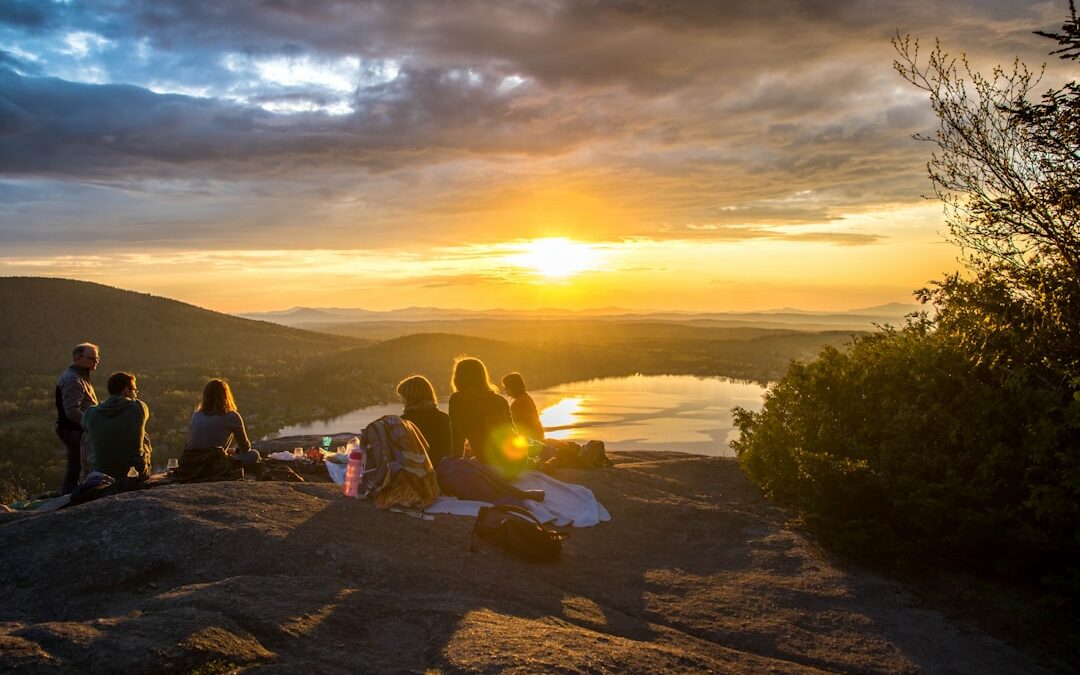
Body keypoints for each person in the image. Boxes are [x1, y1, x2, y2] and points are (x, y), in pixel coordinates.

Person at [448, 357, 522, 474]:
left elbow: (457, 437)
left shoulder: (458, 399)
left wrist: (454, 466)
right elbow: (513, 432)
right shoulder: (500, 400)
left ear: (458, 378)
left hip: (489, 460)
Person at [81, 371, 151, 481]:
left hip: (101, 474)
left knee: (87, 435)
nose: (136, 394)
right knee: (143, 435)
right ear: (126, 390)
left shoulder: (91, 413)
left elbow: (84, 425)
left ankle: (85, 477)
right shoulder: (139, 408)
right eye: (134, 390)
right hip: (135, 473)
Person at [55, 343, 100, 494]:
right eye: (91, 358)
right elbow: (72, 411)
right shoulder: (73, 379)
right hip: (75, 431)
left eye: (97, 358)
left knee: (76, 467)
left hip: (76, 430)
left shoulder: (80, 376)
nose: (96, 361)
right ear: (77, 358)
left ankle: (69, 496)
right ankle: (69, 499)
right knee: (77, 468)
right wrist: (91, 425)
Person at [186, 379, 258, 468]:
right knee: (253, 454)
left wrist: (229, 451)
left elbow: (201, 446)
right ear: (226, 396)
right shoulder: (232, 416)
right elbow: (245, 448)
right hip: (213, 465)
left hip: (190, 463)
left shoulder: (196, 415)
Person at [397, 375, 452, 468]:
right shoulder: (444, 418)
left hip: (415, 476)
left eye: (403, 398)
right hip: (443, 473)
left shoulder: (404, 422)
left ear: (410, 399)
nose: (402, 402)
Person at [502, 372, 544, 442]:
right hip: (537, 436)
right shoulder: (526, 397)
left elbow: (514, 425)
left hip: (530, 439)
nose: (505, 389)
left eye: (506, 386)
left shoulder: (518, 403)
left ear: (512, 387)